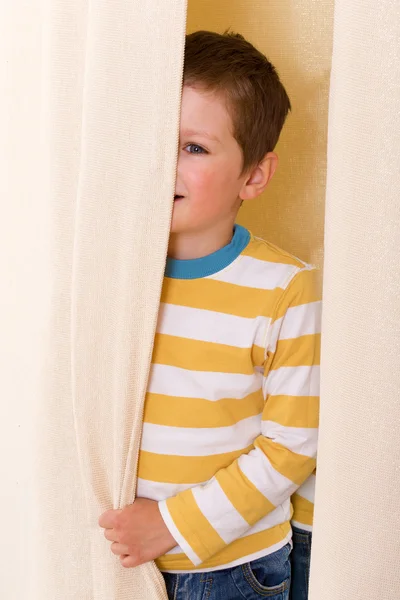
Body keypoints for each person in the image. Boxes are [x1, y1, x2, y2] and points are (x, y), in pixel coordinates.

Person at [99, 30, 321, 600]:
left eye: (193, 147)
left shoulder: (285, 290)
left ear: (254, 176)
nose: (163, 162)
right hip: (115, 558)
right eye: (157, 139)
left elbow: (291, 448)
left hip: (234, 571)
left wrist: (171, 524)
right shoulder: (111, 278)